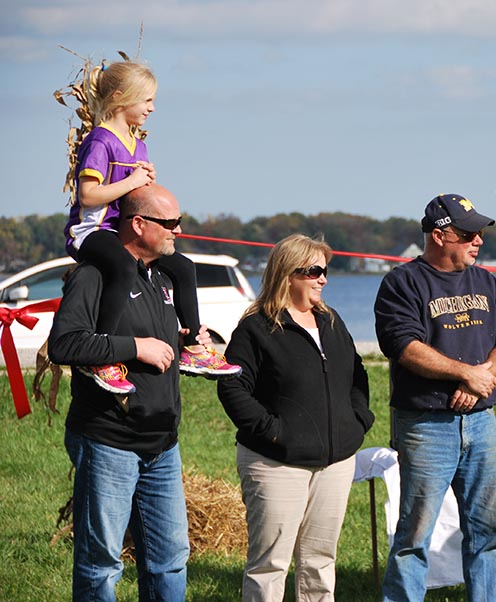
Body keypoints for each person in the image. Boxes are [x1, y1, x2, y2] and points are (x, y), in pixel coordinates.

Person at [48, 183, 204, 601]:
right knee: (102, 565)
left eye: (179, 222)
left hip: (162, 445)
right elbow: (65, 344)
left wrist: (191, 342)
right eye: (170, 223)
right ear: (138, 224)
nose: (178, 231)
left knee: (170, 559)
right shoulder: (95, 275)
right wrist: (136, 347)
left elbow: (167, 342)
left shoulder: (163, 276)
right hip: (108, 442)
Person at [375, 193, 496, 602]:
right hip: (426, 427)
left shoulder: (486, 281)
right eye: (469, 233)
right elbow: (403, 346)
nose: (479, 241)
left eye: (480, 233)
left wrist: (484, 375)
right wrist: (464, 373)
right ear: (440, 235)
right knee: (414, 535)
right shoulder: (401, 283)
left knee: (487, 532)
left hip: (481, 423)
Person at [62, 59, 239, 394]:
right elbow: (87, 196)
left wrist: (145, 186)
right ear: (120, 97)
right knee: (122, 267)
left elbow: (134, 195)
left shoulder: (136, 143)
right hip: (91, 233)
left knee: (184, 267)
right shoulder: (101, 141)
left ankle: (195, 348)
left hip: (124, 232)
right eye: (146, 100)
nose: (152, 108)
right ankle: (102, 354)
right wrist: (133, 181)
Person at [217, 234, 375, 601]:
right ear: (288, 274)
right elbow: (232, 388)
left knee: (320, 563)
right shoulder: (255, 328)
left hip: (334, 463)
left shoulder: (331, 321)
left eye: (325, 271)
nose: (324, 279)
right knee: (270, 565)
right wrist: (274, 432)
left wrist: (357, 420)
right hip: (275, 463)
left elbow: (357, 375)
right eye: (315, 271)